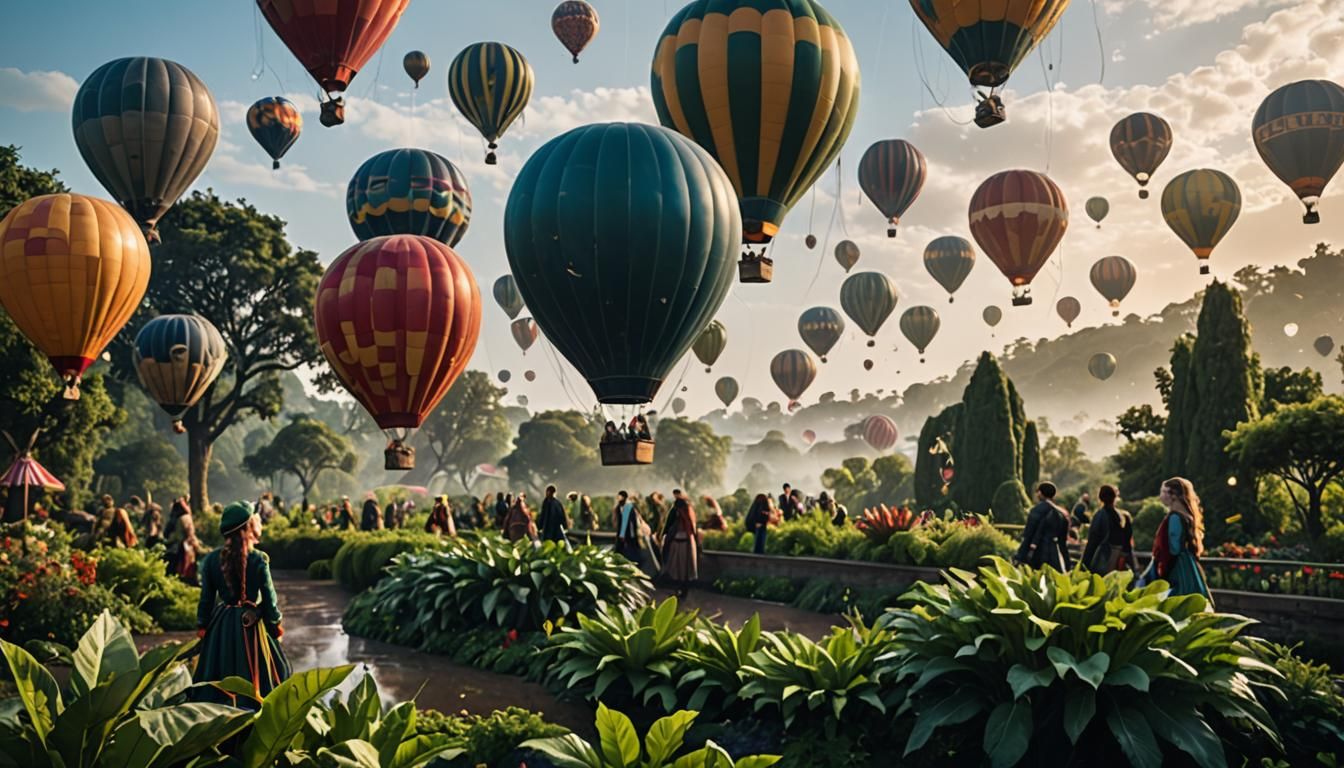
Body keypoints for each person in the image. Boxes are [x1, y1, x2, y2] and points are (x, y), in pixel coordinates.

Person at [193, 501, 291, 703]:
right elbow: (270, 601)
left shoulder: (211, 560)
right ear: (248, 526)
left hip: (221, 626)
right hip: (251, 627)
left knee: (216, 678)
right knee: (269, 677)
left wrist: (203, 626)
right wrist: (275, 626)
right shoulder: (259, 559)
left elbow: (206, 600)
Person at [1139, 477, 1213, 605]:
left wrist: (1161, 568)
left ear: (1172, 495)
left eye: (1163, 492)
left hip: (1176, 566)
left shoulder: (1174, 517)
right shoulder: (1186, 516)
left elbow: (1174, 549)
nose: (1160, 496)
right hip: (1187, 563)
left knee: (1175, 602)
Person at [1080, 485, 1137, 576]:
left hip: (1105, 557)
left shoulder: (1100, 515)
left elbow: (1092, 541)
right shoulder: (1124, 516)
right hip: (1119, 558)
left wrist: (1083, 565)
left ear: (1100, 498)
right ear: (1115, 497)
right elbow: (1128, 540)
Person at [1014, 482, 1072, 571]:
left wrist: (1020, 556)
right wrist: (1067, 563)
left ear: (1040, 493)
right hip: (1054, 553)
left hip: (1038, 552)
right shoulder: (1061, 513)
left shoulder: (1036, 510)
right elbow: (1063, 542)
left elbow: (1029, 534)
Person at [661, 497, 699, 596]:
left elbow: (691, 530)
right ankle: (679, 589)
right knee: (676, 569)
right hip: (677, 544)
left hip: (685, 544)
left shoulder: (687, 516)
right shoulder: (677, 516)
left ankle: (683, 590)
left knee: (684, 569)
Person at [164, 497, 201, 583]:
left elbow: (178, 536)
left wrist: (168, 541)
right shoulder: (188, 516)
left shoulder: (180, 519)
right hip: (191, 544)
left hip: (181, 547)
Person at [613, 491, 643, 564]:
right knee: (622, 549)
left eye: (620, 496)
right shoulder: (619, 507)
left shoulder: (628, 507)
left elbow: (626, 522)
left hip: (629, 532)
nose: (618, 498)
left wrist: (622, 534)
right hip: (623, 532)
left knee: (629, 549)